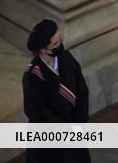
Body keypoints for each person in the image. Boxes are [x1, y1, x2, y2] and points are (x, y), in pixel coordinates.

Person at [22, 19, 90, 163]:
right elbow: (36, 111)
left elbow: (82, 91)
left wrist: (79, 122)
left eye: (60, 41)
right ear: (43, 49)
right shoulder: (33, 76)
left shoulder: (67, 58)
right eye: (55, 44)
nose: (60, 46)